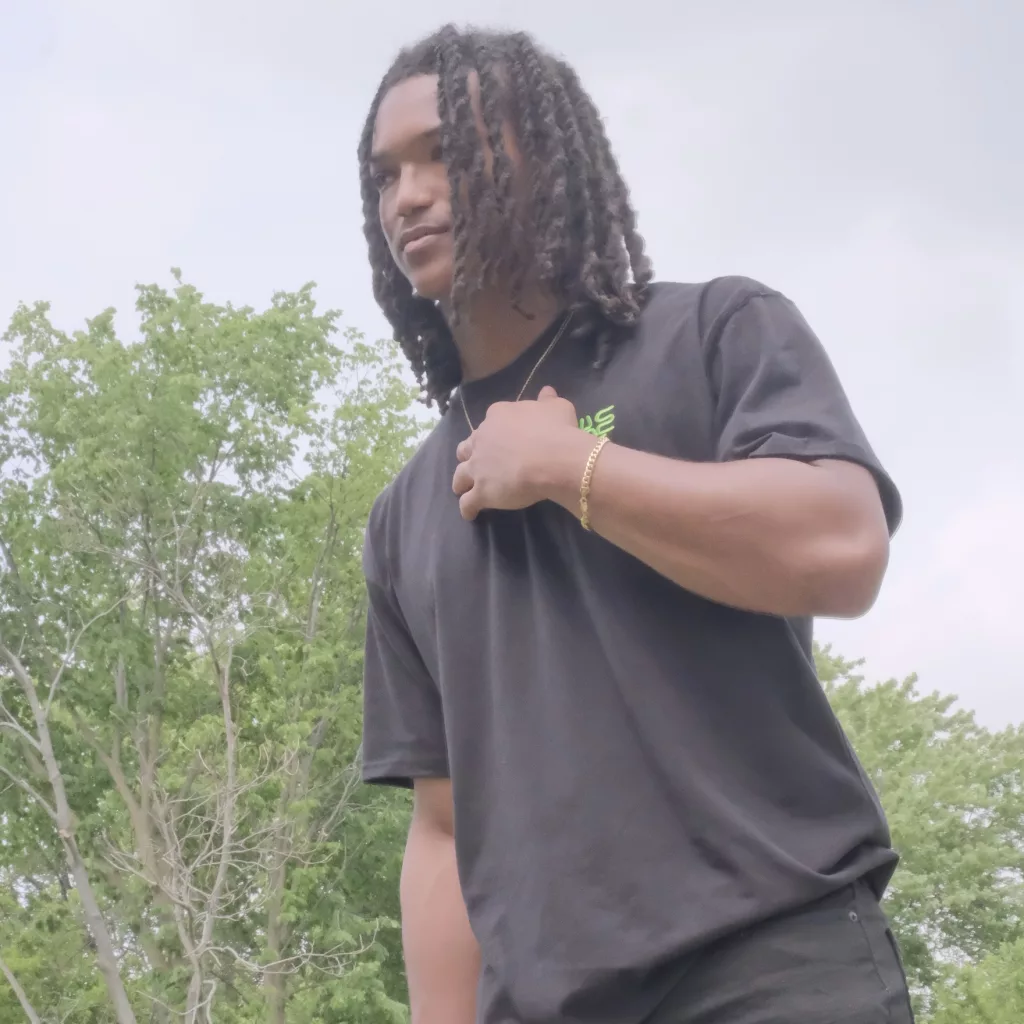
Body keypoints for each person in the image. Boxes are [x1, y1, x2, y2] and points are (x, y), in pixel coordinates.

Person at [357, 23, 913, 1024]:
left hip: (770, 961)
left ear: (545, 157)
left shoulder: (713, 334)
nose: (408, 194)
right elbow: (441, 827)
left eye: (446, 151)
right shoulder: (402, 518)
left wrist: (577, 468)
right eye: (385, 173)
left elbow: (840, 544)